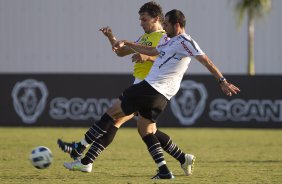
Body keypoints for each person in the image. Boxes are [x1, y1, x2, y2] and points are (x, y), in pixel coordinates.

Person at [63, 9, 240, 179]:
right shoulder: (166, 40)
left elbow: (205, 60)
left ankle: (80, 148)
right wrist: (127, 42)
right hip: (160, 97)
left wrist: (222, 81)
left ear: (177, 25)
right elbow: (152, 51)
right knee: (146, 130)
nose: (165, 27)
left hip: (150, 88)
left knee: (113, 112)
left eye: (167, 24)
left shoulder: (185, 41)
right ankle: (165, 169)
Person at [58, 2, 195, 178]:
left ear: (156, 19)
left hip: (150, 87)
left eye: (144, 19)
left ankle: (83, 155)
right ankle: (182, 159)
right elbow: (121, 52)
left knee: (116, 120)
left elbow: (166, 58)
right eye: (140, 19)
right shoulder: (143, 38)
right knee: (148, 130)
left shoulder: (164, 37)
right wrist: (111, 38)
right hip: (140, 86)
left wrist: (147, 57)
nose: (141, 23)